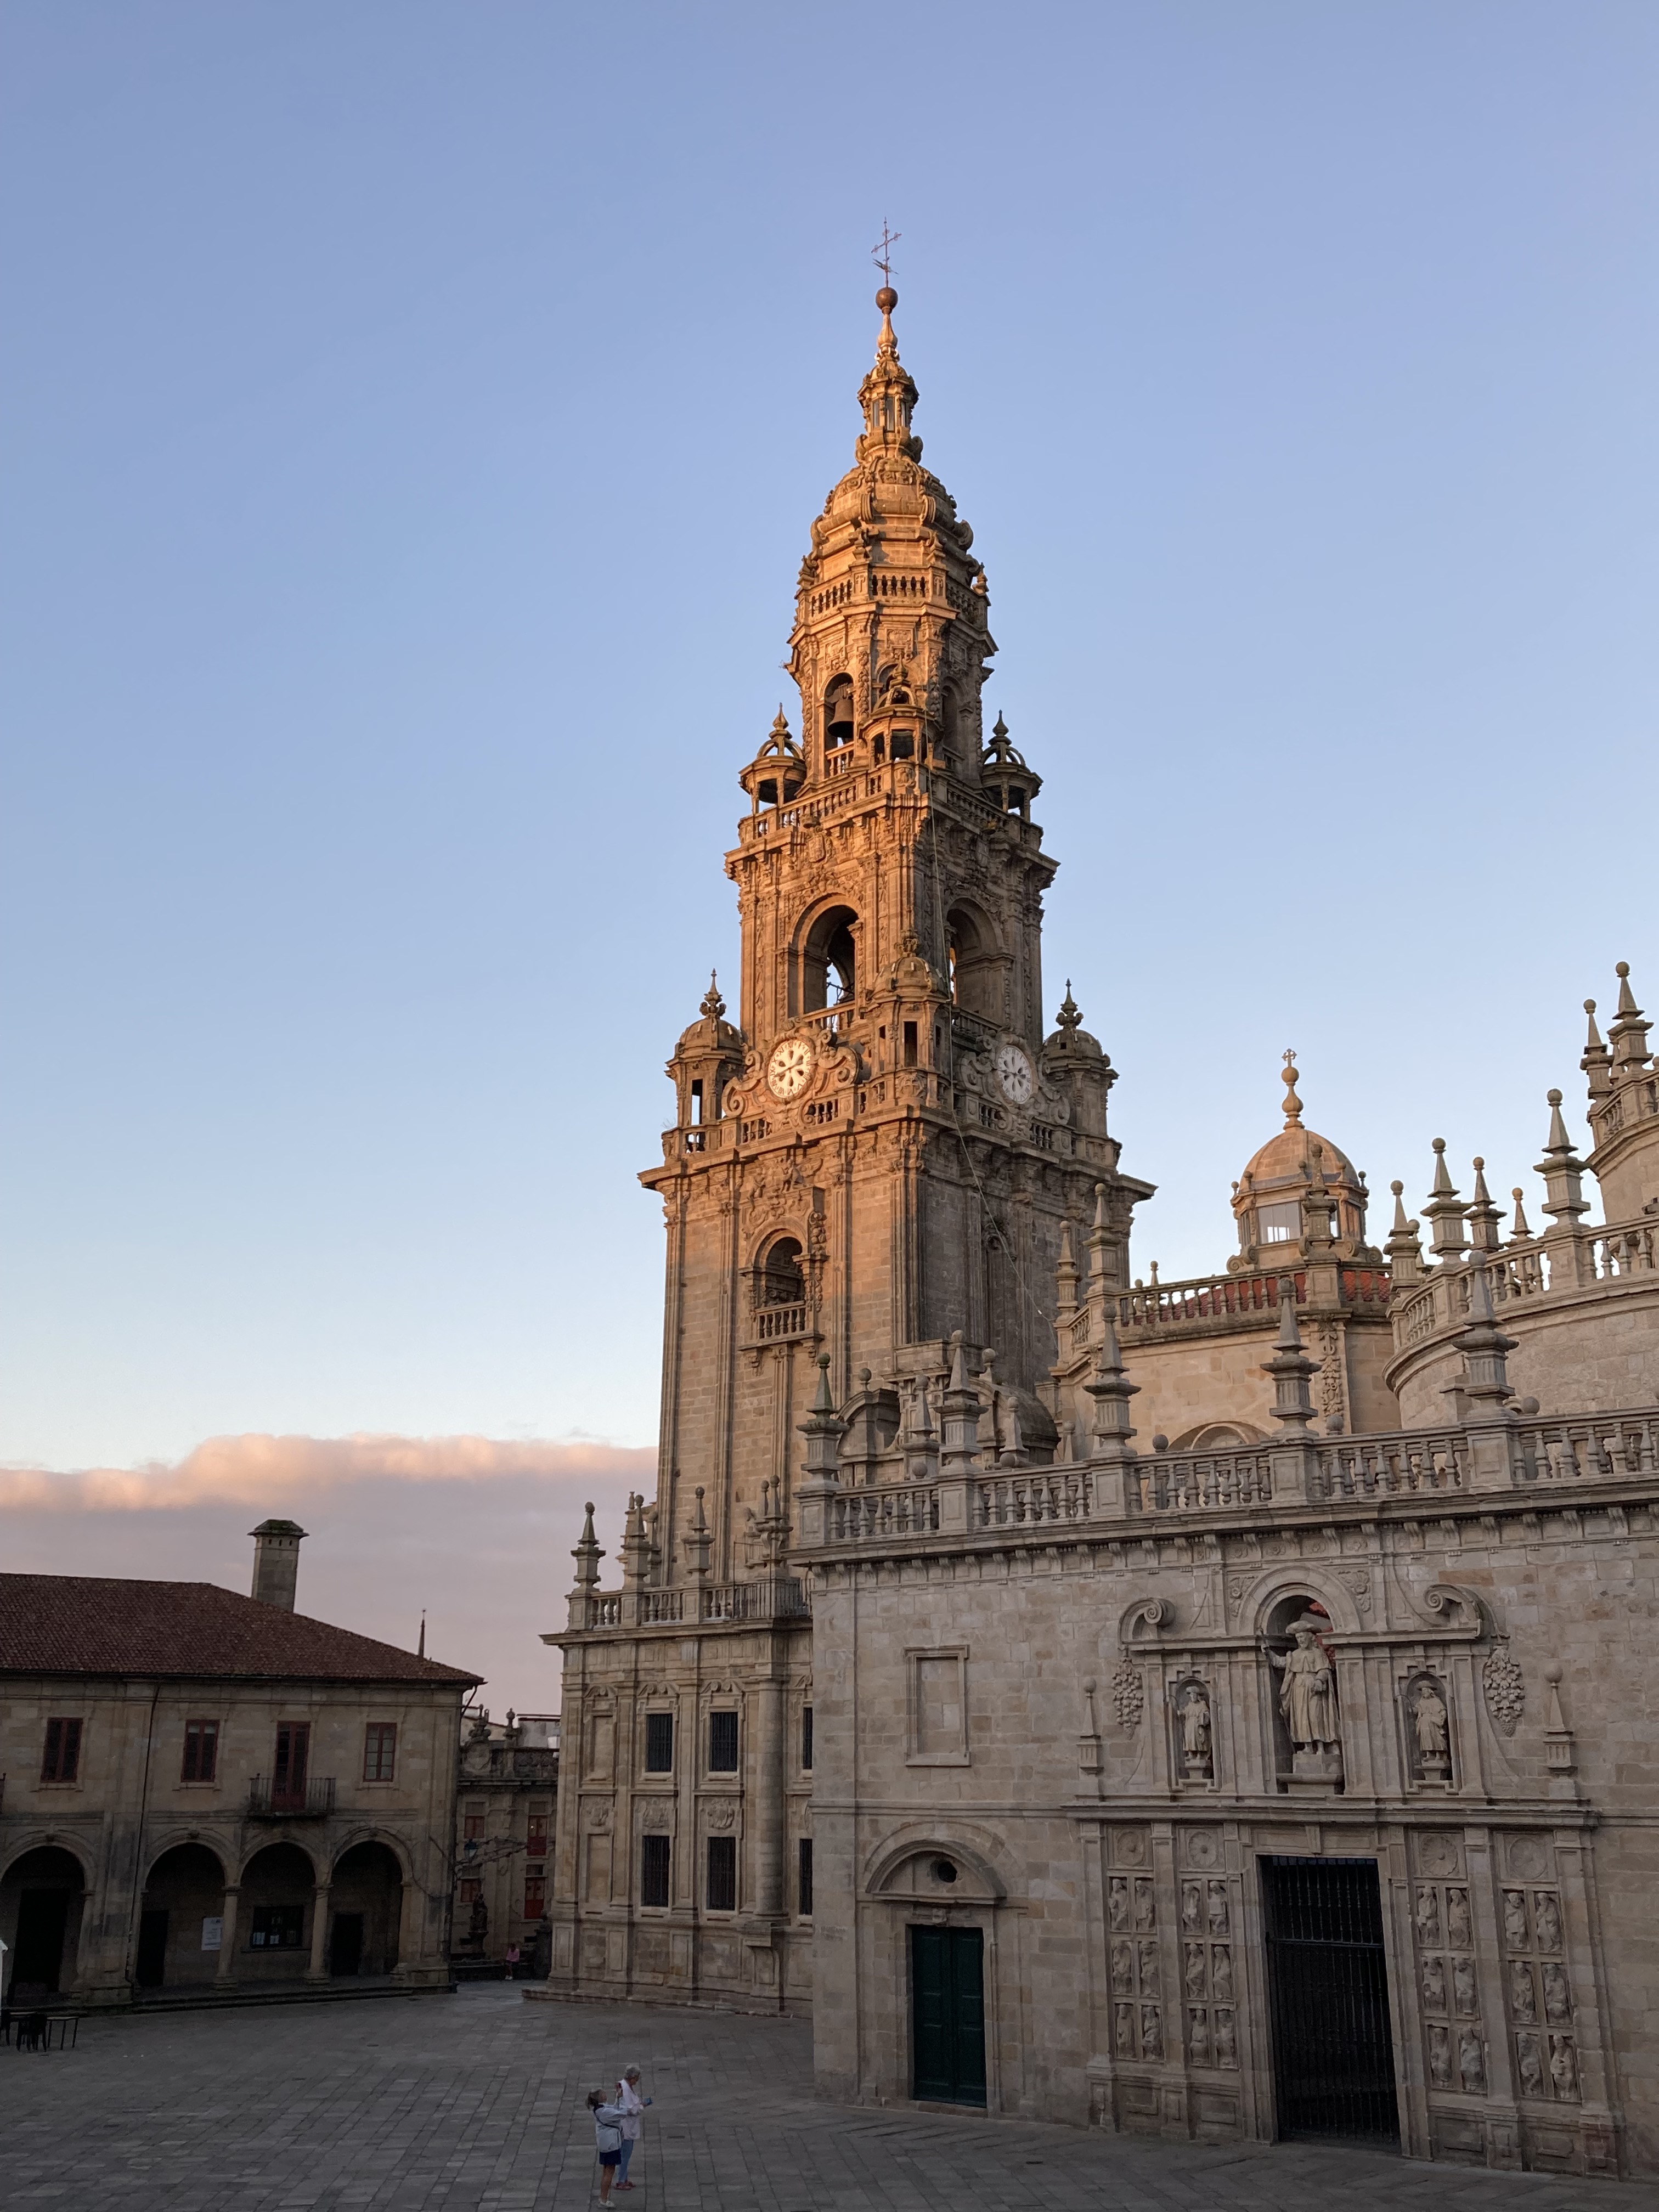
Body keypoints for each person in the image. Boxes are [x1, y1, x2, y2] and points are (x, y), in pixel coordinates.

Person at [613, 2065, 652, 2191]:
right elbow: (630, 2109)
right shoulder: (625, 2088)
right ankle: (621, 2181)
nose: (637, 2080)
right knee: (625, 2154)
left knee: (626, 2153)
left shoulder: (625, 2086)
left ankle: (624, 2178)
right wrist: (642, 2106)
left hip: (627, 2125)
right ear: (633, 2077)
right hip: (626, 2126)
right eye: (637, 2078)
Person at [586, 2089, 625, 2205]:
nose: (605, 2094)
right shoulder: (603, 2111)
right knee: (609, 2171)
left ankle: (603, 2197)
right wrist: (630, 2105)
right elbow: (621, 2114)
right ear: (600, 2098)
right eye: (603, 2094)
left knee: (607, 2170)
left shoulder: (600, 2109)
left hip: (606, 2144)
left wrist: (618, 2098)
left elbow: (614, 2109)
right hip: (610, 2144)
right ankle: (603, 2199)